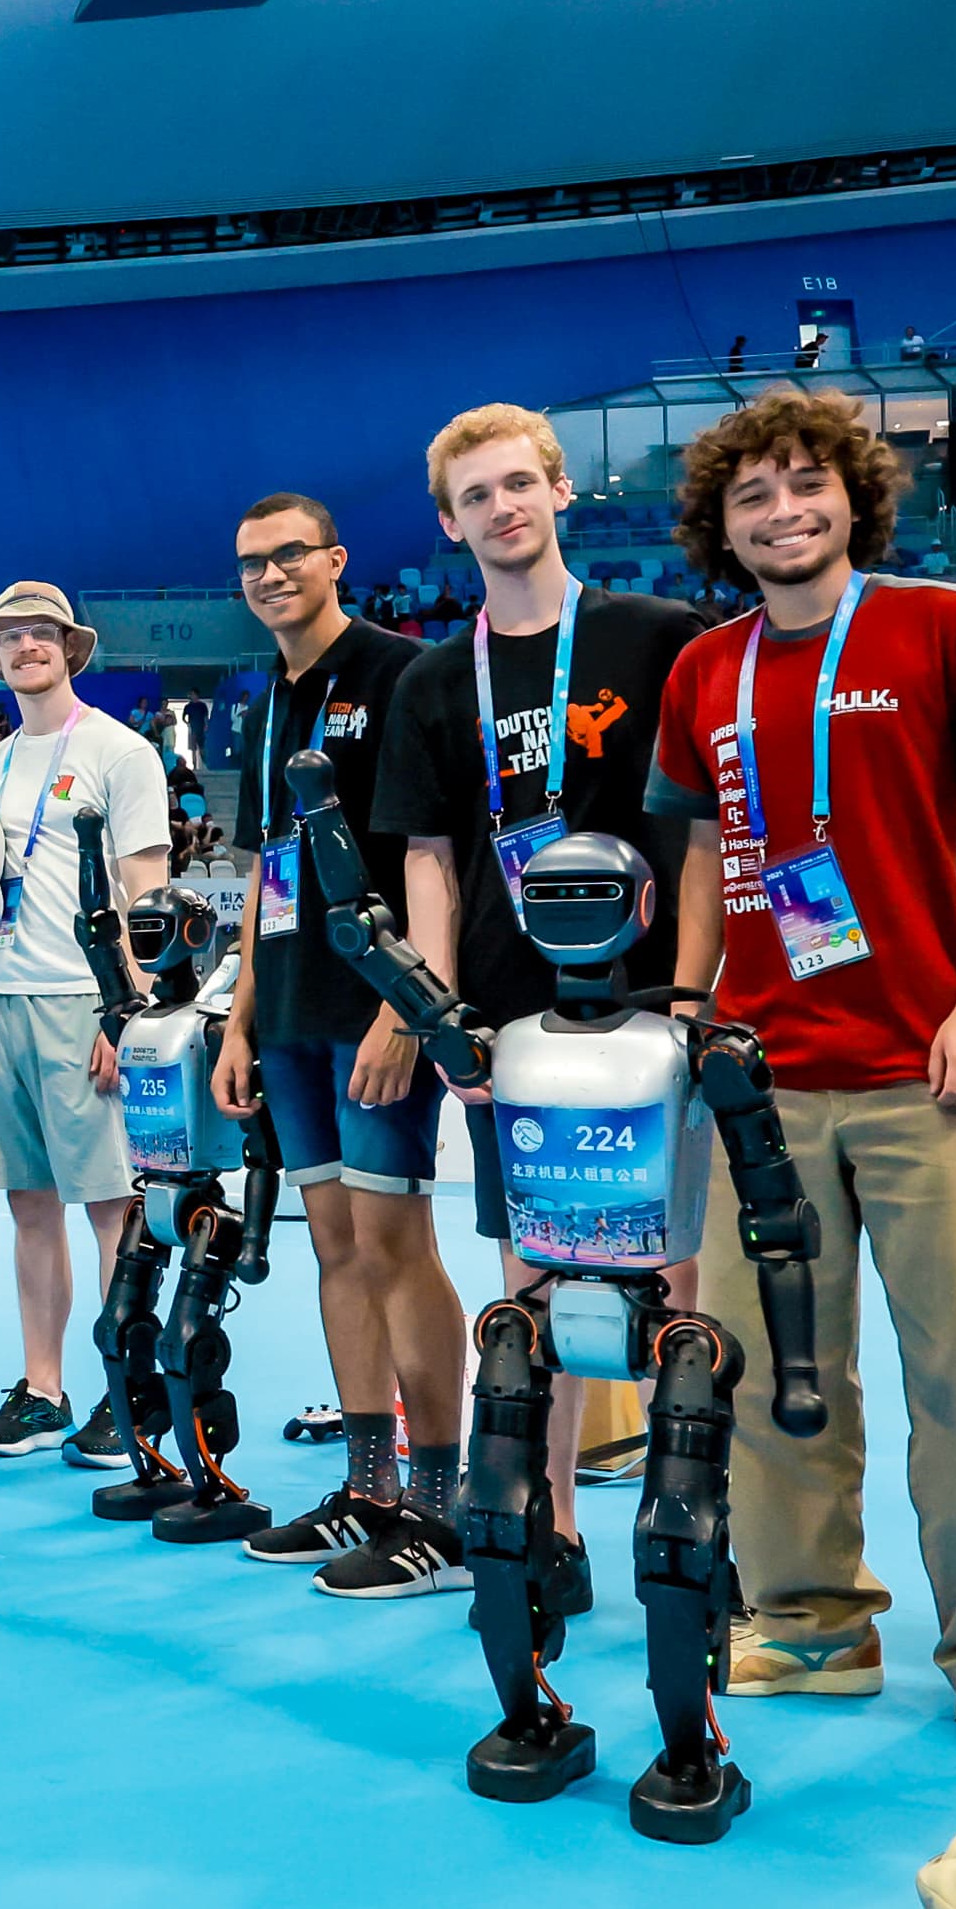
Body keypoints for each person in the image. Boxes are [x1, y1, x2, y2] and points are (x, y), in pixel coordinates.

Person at [650, 386, 956, 1763]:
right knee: (770, 1369)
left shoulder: (946, 624)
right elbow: (705, 846)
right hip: (762, 1084)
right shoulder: (705, 668)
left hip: (929, 1073)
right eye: (750, 497)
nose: (782, 512)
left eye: (802, 485)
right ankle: (814, 1619)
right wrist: (687, 1005)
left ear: (851, 495)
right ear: (722, 526)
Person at [368, 403, 705, 1586]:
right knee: (533, 1283)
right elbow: (422, 859)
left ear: (561, 492)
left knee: (670, 1276)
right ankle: (547, 1524)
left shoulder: (661, 636)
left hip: (653, 1008)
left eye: (519, 484)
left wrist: (698, 994)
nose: (501, 508)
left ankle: (690, 1524)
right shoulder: (427, 679)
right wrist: (436, 1015)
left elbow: (710, 819)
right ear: (448, 522)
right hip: (511, 1024)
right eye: (475, 495)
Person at [206, 493, 466, 1597]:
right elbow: (269, 867)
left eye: (288, 555)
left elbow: (431, 853)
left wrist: (405, 1007)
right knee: (336, 1251)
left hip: (377, 1012)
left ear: (335, 561)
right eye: (250, 563)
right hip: (291, 1012)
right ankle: (367, 1488)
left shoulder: (403, 671)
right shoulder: (262, 702)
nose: (269, 575)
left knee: (397, 1247)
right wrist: (239, 1017)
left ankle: (442, 1511)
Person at [0, 583, 169, 1462]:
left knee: (113, 1208)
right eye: (10, 635)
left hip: (83, 999)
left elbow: (147, 890)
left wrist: (131, 1011)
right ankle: (44, 1387)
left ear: (70, 647)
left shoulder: (122, 753)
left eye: (41, 631)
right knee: (29, 1205)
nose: (26, 645)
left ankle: (131, 1391)